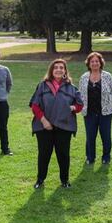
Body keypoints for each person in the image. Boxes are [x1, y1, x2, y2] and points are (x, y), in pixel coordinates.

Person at [29, 59, 83, 189]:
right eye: (56, 67)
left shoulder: (72, 88)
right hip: (44, 126)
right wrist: (44, 121)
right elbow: (35, 106)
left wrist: (72, 108)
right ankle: (40, 180)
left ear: (65, 71)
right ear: (51, 70)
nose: (58, 70)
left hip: (64, 126)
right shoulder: (42, 85)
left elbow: (80, 105)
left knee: (63, 154)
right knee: (44, 154)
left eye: (61, 67)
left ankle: (64, 180)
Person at [78, 52, 112, 165]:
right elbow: (80, 93)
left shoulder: (107, 76)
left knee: (106, 136)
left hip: (105, 112)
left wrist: (106, 101)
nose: (95, 63)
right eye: (92, 61)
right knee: (90, 136)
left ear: (100, 63)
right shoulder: (84, 77)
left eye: (97, 61)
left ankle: (106, 157)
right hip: (89, 112)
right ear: (89, 64)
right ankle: (90, 157)